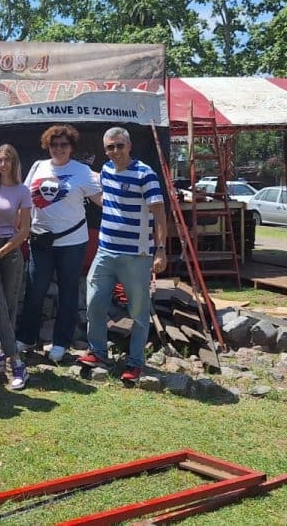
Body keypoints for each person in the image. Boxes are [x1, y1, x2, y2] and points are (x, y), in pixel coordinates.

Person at [77, 127, 168, 383]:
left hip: (136, 255)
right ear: (105, 150)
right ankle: (98, 352)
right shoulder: (106, 170)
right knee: (95, 302)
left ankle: (135, 362)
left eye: (119, 145)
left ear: (129, 146)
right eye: (110, 147)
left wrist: (160, 250)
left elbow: (160, 214)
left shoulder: (145, 174)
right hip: (105, 250)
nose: (115, 151)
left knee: (138, 311)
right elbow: (108, 199)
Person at [14, 124, 104, 364]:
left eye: (64, 144)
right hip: (40, 240)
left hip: (72, 242)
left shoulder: (82, 171)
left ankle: (61, 343)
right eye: (54, 144)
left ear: (71, 146)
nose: (59, 148)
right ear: (47, 145)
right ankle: (26, 337)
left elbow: (101, 200)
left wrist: (129, 205)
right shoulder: (38, 166)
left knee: (68, 292)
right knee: (35, 290)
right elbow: (25, 198)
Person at [0, 145, 32, 390]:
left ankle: (2, 355)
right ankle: (17, 362)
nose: (3, 164)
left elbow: (24, 231)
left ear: (14, 162)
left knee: (9, 306)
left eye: (7, 160)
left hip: (10, 250)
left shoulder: (22, 191)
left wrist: (1, 252)